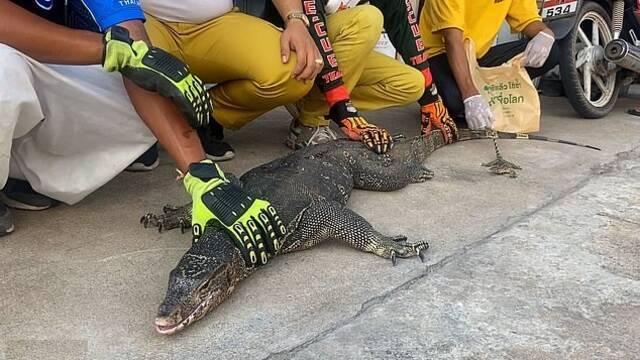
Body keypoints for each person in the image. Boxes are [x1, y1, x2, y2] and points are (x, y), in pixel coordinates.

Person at [0, 0, 306, 267]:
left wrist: (201, 175)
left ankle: (22, 173)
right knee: (4, 73)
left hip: (38, 67)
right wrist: (110, 49)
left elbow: (136, 44)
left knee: (147, 92)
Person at [139, 0, 324, 161]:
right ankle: (137, 132)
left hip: (215, 22)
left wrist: (295, 20)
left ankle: (203, 115)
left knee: (295, 69)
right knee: (128, 53)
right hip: (146, 20)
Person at [285, 0, 458, 154]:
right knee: (367, 18)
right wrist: (344, 111)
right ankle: (310, 121)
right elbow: (315, 32)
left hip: (331, 52)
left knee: (413, 84)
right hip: (295, 53)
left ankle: (306, 101)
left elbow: (404, 25)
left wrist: (431, 99)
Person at [420, 0, 559, 130]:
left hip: (478, 56)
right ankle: (450, 100)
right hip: (439, 55)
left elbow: (528, 20)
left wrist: (546, 34)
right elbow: (452, 40)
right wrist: (470, 96)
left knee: (551, 51)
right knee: (456, 101)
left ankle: (483, 96)